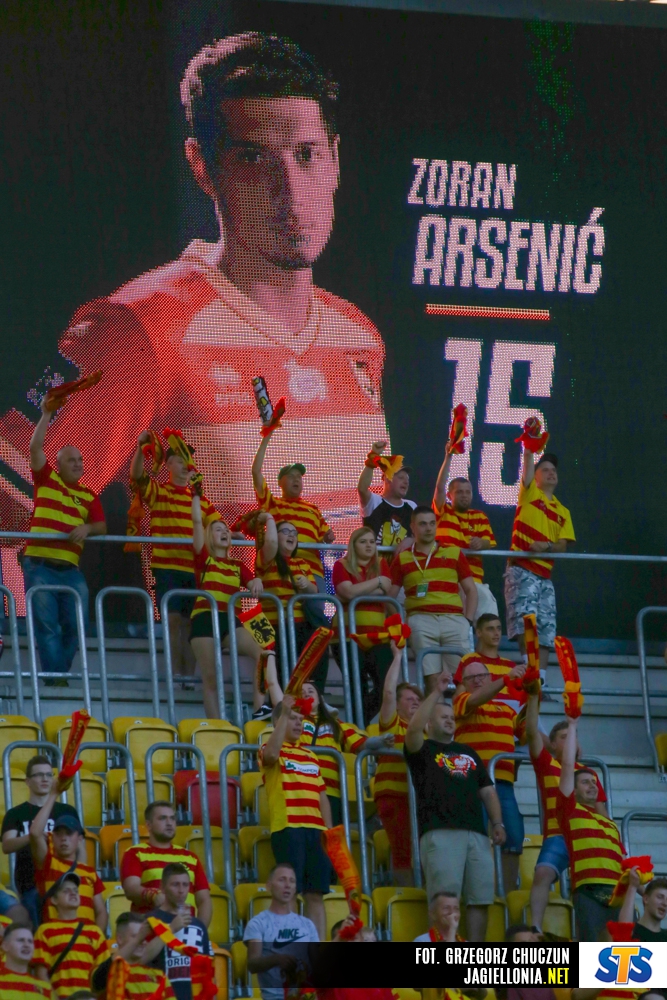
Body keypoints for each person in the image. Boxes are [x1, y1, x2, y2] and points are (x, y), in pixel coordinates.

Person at [7, 33, 391, 560]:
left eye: (306, 154)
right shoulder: (141, 329)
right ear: (202, 166)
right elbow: (9, 510)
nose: (290, 191)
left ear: (335, 160)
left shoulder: (358, 337)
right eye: (253, 158)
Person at [404, 675, 506, 942]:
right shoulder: (421, 750)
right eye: (443, 717)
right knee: (444, 902)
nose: (450, 720)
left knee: (480, 899)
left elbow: (487, 790)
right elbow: (412, 731)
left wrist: (497, 822)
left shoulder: (469, 751)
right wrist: (435, 694)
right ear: (429, 723)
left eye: (452, 717)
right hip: (440, 832)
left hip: (477, 835)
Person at [22, 394, 106, 685]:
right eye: (72, 460)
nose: (78, 464)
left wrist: (88, 529)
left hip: (71, 571)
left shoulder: (89, 495)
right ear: (58, 464)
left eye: (81, 460)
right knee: (47, 627)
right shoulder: (46, 479)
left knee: (77, 626)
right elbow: (35, 448)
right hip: (39, 566)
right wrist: (46, 414)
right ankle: (57, 682)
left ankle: (55, 677)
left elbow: (102, 526)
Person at [129, 431, 222, 689]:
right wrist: (140, 447)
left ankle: (188, 678)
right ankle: (175, 677)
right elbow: (137, 476)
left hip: (194, 571)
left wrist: (231, 532)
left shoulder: (201, 501)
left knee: (191, 625)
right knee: (172, 623)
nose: (186, 465)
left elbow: (218, 526)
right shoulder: (159, 492)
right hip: (167, 569)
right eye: (180, 460)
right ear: (168, 464)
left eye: (189, 460)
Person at [263, 661, 391, 827]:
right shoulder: (293, 721)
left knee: (330, 837)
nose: (307, 694)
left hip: (332, 793)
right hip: (302, 789)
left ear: (320, 699)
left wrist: (380, 741)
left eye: (311, 691)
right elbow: (274, 688)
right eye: (302, 692)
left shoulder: (335, 724)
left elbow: (361, 745)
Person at [525, 689, 608, 932]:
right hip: (558, 834)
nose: (570, 740)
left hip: (587, 836)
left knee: (590, 888)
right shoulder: (546, 763)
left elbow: (601, 812)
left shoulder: (589, 774)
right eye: (563, 737)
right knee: (542, 873)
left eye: (572, 735)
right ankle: (535, 930)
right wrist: (533, 698)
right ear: (552, 744)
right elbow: (531, 732)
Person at [259, 696, 332, 939]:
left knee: (316, 894)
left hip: (317, 831)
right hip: (288, 828)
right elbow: (270, 756)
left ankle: (317, 948)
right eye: (293, 718)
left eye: (301, 719)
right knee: (289, 892)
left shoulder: (311, 756)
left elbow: (322, 797)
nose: (299, 723)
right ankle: (294, 945)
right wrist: (283, 713)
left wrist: (330, 833)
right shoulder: (269, 748)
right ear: (279, 721)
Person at [453, 658, 527, 894]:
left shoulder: (507, 710)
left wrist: (534, 697)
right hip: (472, 785)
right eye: (470, 678)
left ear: (489, 678)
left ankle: (506, 898)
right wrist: (506, 679)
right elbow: (476, 699)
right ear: (463, 683)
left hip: (504, 784)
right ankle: (479, 894)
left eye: (481, 676)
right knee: (477, 840)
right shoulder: (461, 702)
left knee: (513, 839)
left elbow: (527, 732)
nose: (477, 681)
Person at [190, 491, 264, 717]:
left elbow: (252, 581)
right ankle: (217, 728)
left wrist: (256, 581)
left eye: (226, 530)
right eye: (217, 529)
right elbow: (196, 521)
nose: (223, 532)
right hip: (204, 619)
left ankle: (260, 711)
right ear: (208, 535)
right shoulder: (204, 559)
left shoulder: (237, 565)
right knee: (211, 678)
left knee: (262, 655)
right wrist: (196, 496)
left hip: (230, 620)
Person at [389, 506, 477, 693]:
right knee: (432, 680)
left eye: (432, 523)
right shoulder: (402, 558)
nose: (428, 528)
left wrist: (468, 621)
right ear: (412, 527)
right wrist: (400, 625)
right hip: (421, 620)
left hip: (454, 619)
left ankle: (460, 712)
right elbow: (390, 597)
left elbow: (471, 590)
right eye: (422, 524)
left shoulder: (454, 553)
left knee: (464, 678)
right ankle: (435, 712)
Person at [505, 451, 575, 675]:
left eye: (553, 470)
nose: (551, 473)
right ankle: (529, 672)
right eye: (545, 470)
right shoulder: (530, 493)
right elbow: (527, 462)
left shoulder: (563, 511)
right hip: (522, 568)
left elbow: (562, 546)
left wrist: (546, 546)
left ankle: (540, 679)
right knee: (526, 623)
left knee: (546, 628)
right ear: (534, 477)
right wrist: (529, 449)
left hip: (545, 576)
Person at [557, 717, 624, 941]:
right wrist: (572, 726)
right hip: (588, 891)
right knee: (591, 950)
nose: (592, 785)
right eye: (585, 782)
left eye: (594, 782)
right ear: (573, 790)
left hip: (619, 894)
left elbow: (622, 863)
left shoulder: (611, 824)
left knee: (624, 953)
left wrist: (643, 891)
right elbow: (568, 766)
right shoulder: (570, 811)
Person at [1, 754, 79, 926]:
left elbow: (80, 845)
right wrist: (33, 836)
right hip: (31, 884)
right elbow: (7, 845)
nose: (45, 779)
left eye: (49, 774)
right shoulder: (15, 814)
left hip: (65, 880)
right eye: (39, 775)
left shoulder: (67, 811)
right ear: (27, 781)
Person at [254, 510, 319, 711]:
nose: (291, 535)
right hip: (271, 626)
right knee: (277, 672)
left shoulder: (302, 563)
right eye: (285, 531)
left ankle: (308, 706)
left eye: (294, 533)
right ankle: (276, 711)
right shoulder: (266, 559)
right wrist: (269, 518)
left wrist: (306, 584)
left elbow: (314, 591)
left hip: (298, 624)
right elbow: (271, 543)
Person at [252, 427, 334, 587]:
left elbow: (323, 539)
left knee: (317, 604)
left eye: (299, 477)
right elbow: (256, 472)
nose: (296, 479)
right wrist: (267, 436)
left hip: (313, 573)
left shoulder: (313, 509)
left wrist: (327, 538)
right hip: (280, 570)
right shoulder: (272, 503)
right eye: (291, 476)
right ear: (279, 482)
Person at [333, 525, 394, 724]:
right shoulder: (341, 565)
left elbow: (385, 589)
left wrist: (357, 592)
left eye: (372, 542)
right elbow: (347, 592)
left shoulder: (382, 563)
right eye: (363, 542)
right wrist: (377, 583)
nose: (369, 546)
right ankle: (358, 730)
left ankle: (361, 725)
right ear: (353, 545)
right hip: (346, 637)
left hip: (378, 637)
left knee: (387, 685)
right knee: (356, 687)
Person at [432, 440, 498, 623]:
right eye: (459, 492)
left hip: (474, 580)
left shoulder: (480, 516)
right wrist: (448, 456)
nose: (464, 495)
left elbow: (489, 542)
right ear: (450, 495)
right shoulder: (443, 511)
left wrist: (481, 543)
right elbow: (439, 487)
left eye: (468, 492)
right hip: (447, 578)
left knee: (490, 619)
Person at [373, 641, 422, 887]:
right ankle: (408, 897)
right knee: (403, 852)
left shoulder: (426, 730)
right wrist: (398, 656)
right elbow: (389, 693)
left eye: (418, 699)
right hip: (394, 795)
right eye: (409, 698)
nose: (415, 702)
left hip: (420, 797)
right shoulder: (392, 724)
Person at [30, 778, 106, 931]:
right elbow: (35, 833)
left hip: (86, 942)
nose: (63, 838)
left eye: (69, 833)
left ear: (80, 839)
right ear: (53, 838)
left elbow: (101, 912)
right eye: (59, 834)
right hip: (57, 939)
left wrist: (96, 938)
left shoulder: (90, 872)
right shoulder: (49, 865)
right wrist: (53, 794)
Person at [121, 802, 211, 926]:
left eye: (172, 818)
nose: (169, 823)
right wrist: (152, 896)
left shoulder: (190, 857)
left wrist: (200, 930)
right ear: (149, 825)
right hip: (151, 930)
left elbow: (204, 900)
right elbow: (131, 889)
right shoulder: (135, 853)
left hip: (185, 930)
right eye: (162, 818)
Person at [244, 862, 319, 998]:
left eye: (292, 881)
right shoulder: (257, 923)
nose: (287, 885)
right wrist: (276, 960)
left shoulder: (307, 924)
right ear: (269, 886)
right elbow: (252, 964)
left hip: (305, 995)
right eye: (282, 880)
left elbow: (317, 962)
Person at [33, 873, 110, 998]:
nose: (73, 893)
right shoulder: (44, 931)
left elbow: (103, 974)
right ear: (54, 900)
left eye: (75, 890)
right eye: (66, 891)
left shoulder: (95, 932)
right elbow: (41, 973)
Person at [148, 863, 214, 1000]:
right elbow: (143, 957)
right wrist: (171, 929)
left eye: (185, 885)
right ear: (162, 887)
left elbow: (208, 972)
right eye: (175, 885)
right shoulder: (150, 921)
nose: (181, 890)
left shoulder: (198, 925)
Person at [453, 614, 526, 714]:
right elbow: (458, 699)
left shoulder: (510, 665)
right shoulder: (469, 660)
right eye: (490, 629)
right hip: (479, 717)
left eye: (499, 629)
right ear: (479, 633)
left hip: (507, 718)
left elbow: (519, 701)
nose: (496, 633)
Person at [91, 911, 174, 999]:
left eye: (145, 937)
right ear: (119, 939)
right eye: (135, 936)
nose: (143, 941)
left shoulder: (158, 976)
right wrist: (138, 939)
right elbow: (98, 981)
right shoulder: (107, 972)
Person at [357, 441, 416, 547]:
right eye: (401, 478)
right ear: (387, 478)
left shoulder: (412, 506)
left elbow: (422, 534)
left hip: (403, 558)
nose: (406, 482)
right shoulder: (375, 502)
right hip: (375, 557)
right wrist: (373, 456)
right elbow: (362, 489)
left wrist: (412, 540)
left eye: (407, 479)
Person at [0, 923, 54, 998]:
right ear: (5, 946)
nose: (26, 945)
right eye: (20, 940)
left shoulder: (46, 988)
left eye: (30, 941)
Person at [618, 872, 667, 941]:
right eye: (660, 897)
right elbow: (624, 928)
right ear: (646, 899)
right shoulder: (633, 931)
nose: (665, 903)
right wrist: (633, 886)